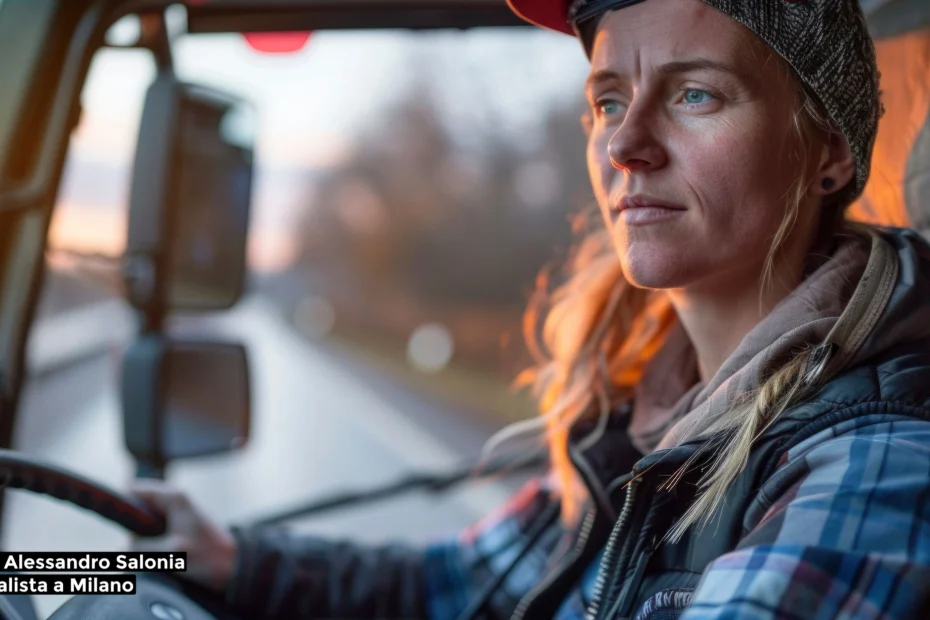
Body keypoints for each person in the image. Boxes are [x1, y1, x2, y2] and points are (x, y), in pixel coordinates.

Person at [131, 0, 930, 617]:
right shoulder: (642, 418)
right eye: (609, 101)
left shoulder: (877, 465)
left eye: (695, 94)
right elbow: (458, 585)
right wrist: (234, 560)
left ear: (829, 151)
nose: (624, 145)